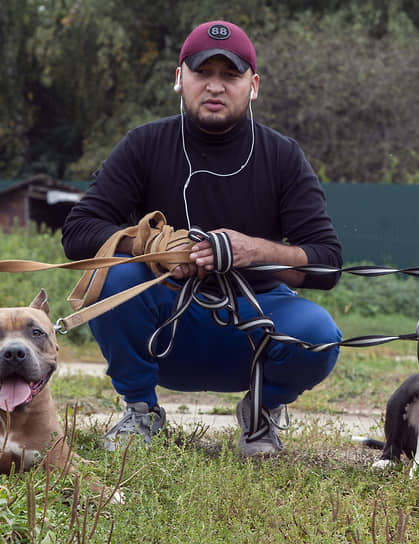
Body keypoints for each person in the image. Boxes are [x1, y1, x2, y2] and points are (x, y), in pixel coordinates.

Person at [61, 20, 342, 457]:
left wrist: (253, 250)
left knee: (319, 332)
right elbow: (78, 231)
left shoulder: (283, 156)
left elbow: (327, 263)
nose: (215, 86)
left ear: (254, 85)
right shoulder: (144, 144)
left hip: (253, 322)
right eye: (201, 73)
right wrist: (155, 248)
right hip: (168, 327)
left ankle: (261, 413)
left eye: (230, 75)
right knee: (112, 280)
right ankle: (140, 411)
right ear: (179, 79)